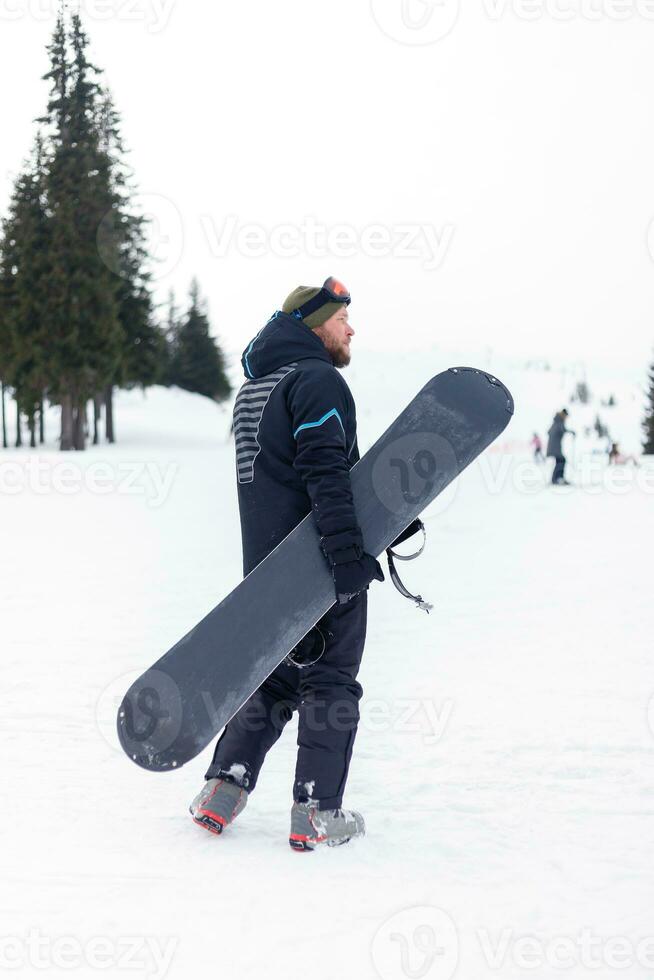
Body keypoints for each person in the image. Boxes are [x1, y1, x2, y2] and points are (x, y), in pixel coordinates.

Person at [189, 277, 386, 851]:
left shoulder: (257, 388)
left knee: (274, 678)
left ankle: (223, 790)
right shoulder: (317, 380)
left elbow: (277, 476)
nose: (351, 328)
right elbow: (325, 470)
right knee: (330, 680)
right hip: (320, 562)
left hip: (267, 569)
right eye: (342, 317)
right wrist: (346, 554)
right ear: (315, 324)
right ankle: (318, 813)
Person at [546, 408, 574, 485]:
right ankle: (558, 478)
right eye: (566, 416)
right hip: (555, 446)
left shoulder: (556, 420)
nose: (566, 418)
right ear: (563, 415)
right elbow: (562, 430)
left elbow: (549, 431)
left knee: (560, 460)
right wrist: (571, 432)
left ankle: (555, 479)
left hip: (554, 445)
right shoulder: (559, 421)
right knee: (561, 460)